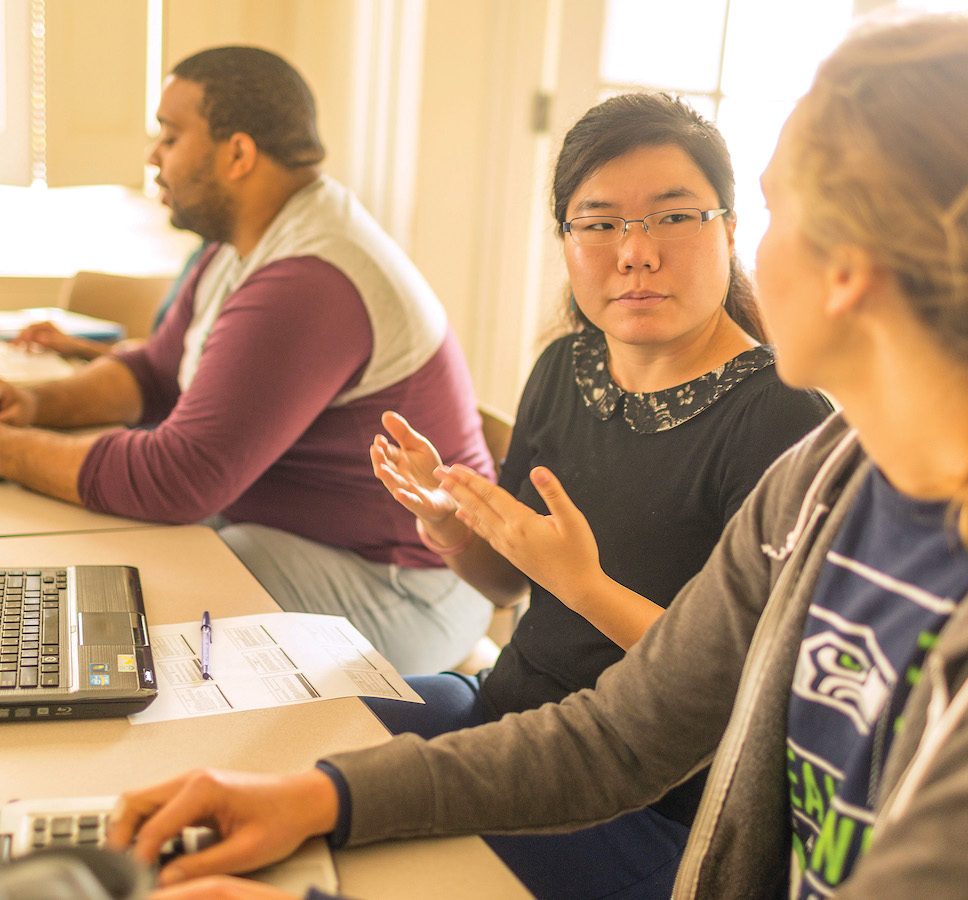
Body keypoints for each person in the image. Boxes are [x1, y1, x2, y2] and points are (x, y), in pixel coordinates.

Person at [108, 14, 968, 900]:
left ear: (852, 267)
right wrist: (319, 796)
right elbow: (616, 738)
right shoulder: (829, 481)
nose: (651, 253)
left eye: (762, 210)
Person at [362, 92, 830, 896]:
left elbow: (749, 693)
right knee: (307, 748)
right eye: (600, 222)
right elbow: (506, 587)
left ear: (729, 229)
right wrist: (451, 527)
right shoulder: (566, 367)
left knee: (380, 867)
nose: (636, 252)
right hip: (505, 716)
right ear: (567, 240)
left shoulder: (783, 416)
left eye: (673, 217)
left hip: (645, 798)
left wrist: (583, 585)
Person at [0, 47, 495, 673]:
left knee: (129, 601)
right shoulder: (246, 243)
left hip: (399, 586)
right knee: (101, 576)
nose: (153, 156)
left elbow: (178, 478)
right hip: (294, 538)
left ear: (237, 154)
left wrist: (10, 451)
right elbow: (156, 372)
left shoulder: (312, 277)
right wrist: (35, 405)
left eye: (170, 136)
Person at [11, 242, 212, 360]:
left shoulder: (215, 267)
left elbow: (163, 367)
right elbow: (156, 361)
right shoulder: (200, 255)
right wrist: (76, 347)